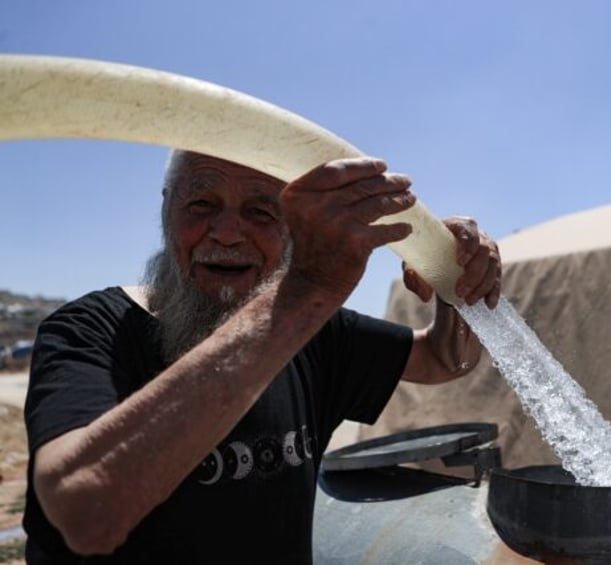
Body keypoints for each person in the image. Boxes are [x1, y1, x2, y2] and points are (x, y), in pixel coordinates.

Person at [22, 151, 501, 563]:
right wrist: (307, 292)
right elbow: (86, 511)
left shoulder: (315, 331)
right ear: (167, 209)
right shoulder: (91, 329)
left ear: (292, 229)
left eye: (260, 211)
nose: (228, 232)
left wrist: (457, 287)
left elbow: (445, 360)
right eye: (202, 203)